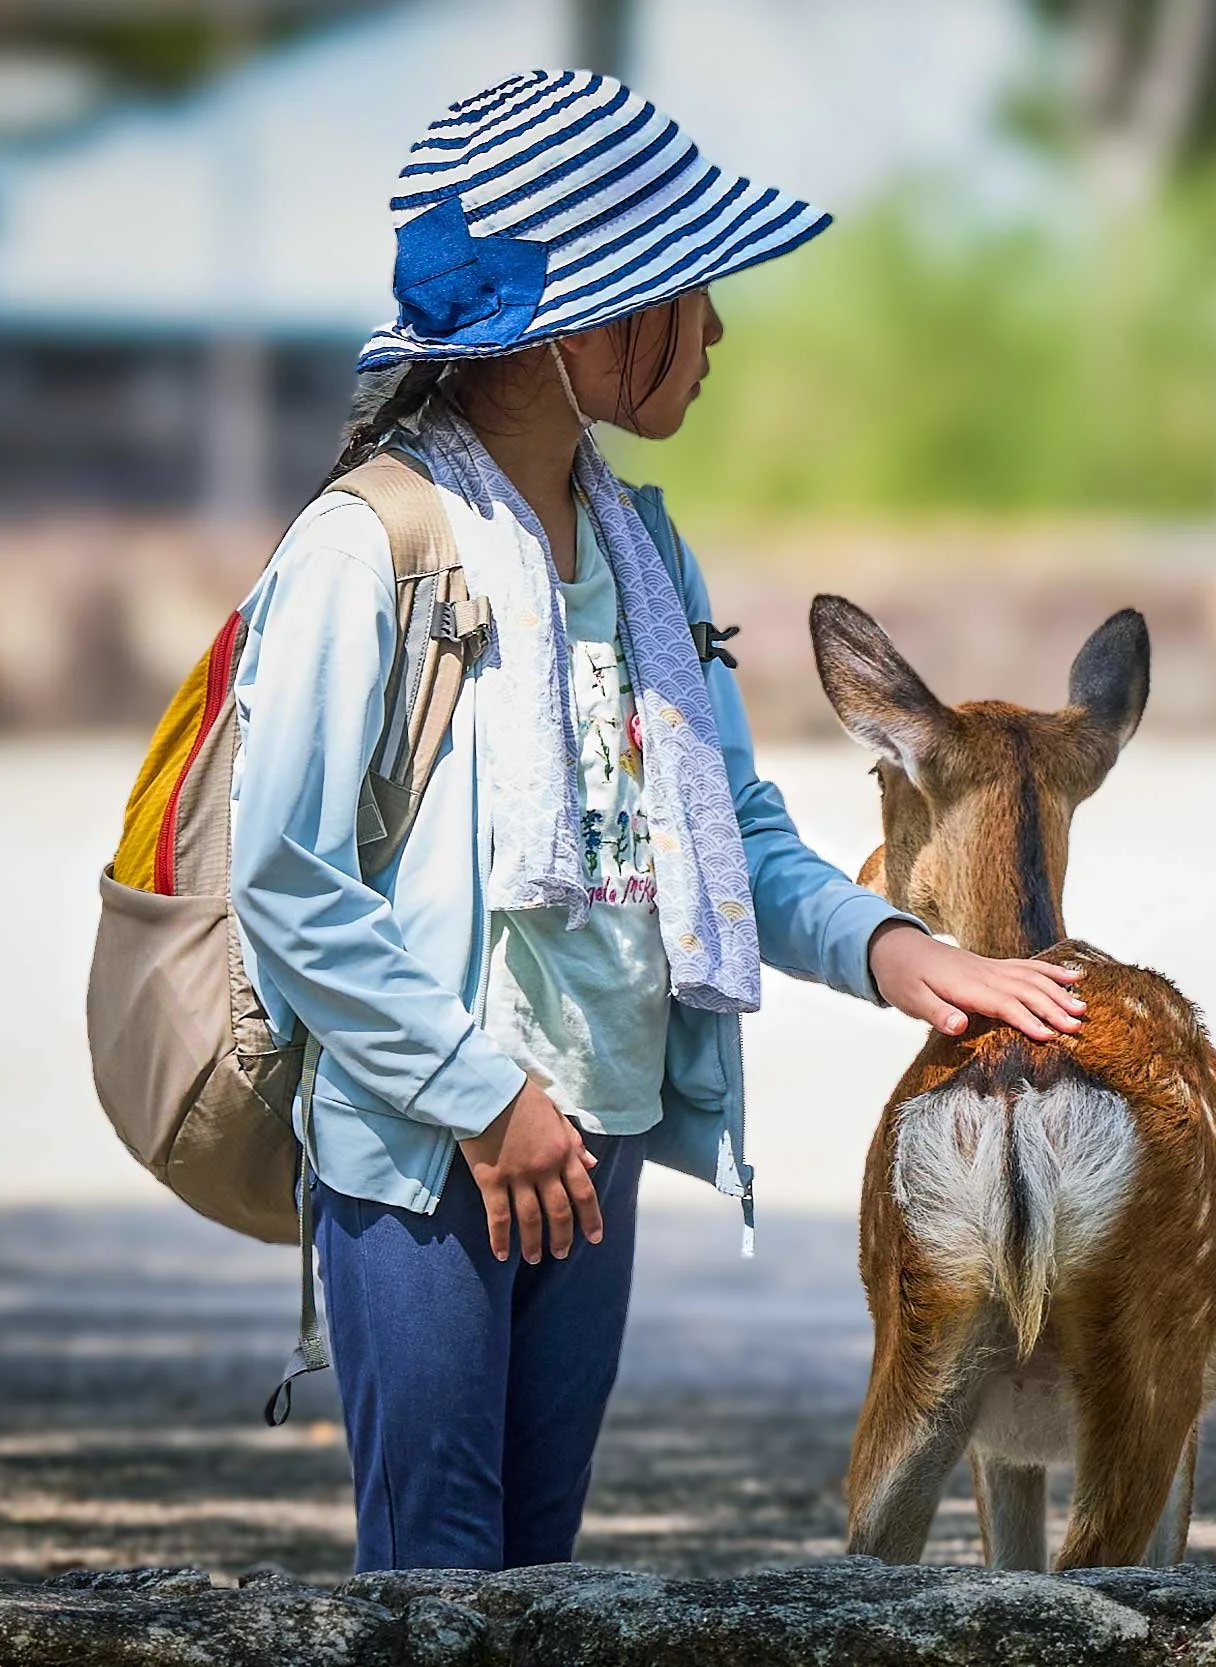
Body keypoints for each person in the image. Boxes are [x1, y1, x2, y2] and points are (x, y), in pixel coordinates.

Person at [225, 70, 1089, 1574]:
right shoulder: (362, 551)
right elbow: (286, 882)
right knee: (436, 1573)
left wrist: (894, 949)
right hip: (432, 1149)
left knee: (538, 1578)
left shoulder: (647, 554)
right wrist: (485, 1101)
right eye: (686, 288)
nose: (718, 331)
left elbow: (731, 828)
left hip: (596, 1134)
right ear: (583, 322)